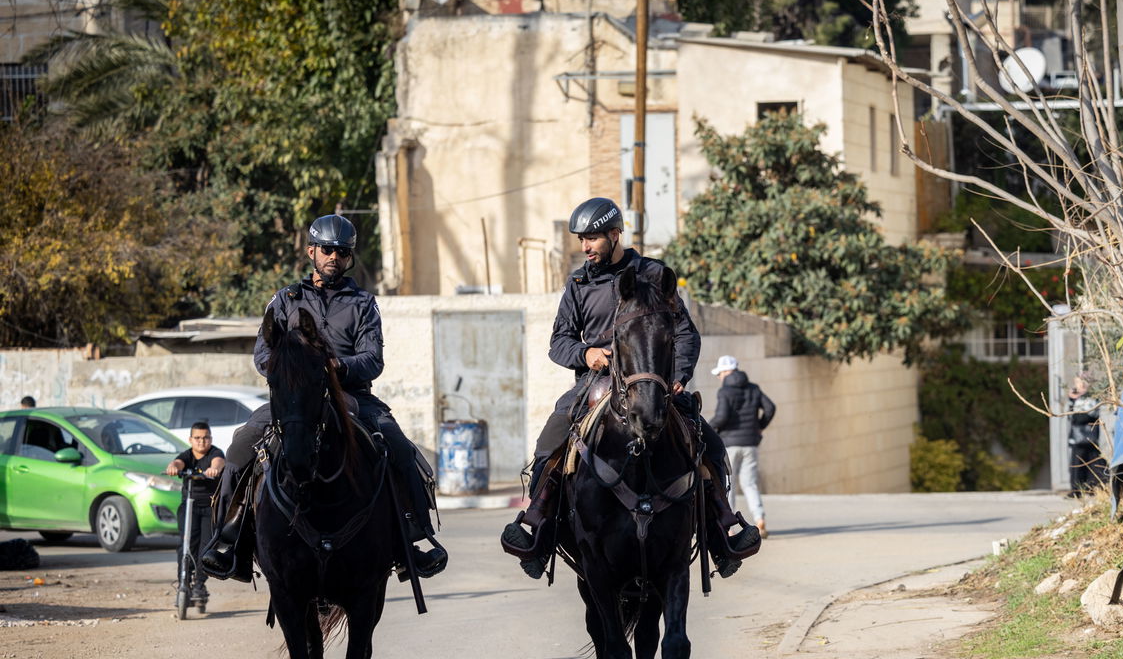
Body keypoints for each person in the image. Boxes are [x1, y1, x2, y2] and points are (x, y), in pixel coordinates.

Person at [500, 196, 761, 580]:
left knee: (710, 444)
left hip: (654, 384)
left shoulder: (653, 275)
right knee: (549, 442)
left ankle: (722, 533)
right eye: (581, 239)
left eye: (592, 238)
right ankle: (538, 527)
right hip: (595, 384)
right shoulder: (578, 284)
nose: (585, 247)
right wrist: (586, 353)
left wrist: (678, 377)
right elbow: (559, 342)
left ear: (614, 234)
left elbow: (685, 333)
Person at [201, 214, 448, 582]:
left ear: (349, 258)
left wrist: (337, 367)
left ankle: (412, 538)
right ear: (311, 252)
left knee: (399, 447)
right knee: (240, 445)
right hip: (296, 399)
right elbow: (263, 354)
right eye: (328, 250)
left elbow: (373, 359)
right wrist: (297, 369)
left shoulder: (363, 303)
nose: (335, 257)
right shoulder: (285, 300)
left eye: (342, 252)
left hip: (352, 397)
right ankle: (228, 538)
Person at [708, 355, 775, 539]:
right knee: (750, 483)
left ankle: (729, 528)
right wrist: (759, 427)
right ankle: (760, 519)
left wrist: (709, 428)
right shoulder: (753, 388)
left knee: (728, 484)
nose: (719, 377)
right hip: (750, 443)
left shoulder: (725, 391)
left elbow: (721, 417)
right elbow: (770, 408)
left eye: (719, 374)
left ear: (725, 372)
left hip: (729, 444)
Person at [165, 422, 225, 610]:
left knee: (206, 548)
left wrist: (214, 470)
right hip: (189, 507)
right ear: (191, 439)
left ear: (210, 439)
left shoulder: (215, 453)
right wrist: (173, 467)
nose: (201, 441)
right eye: (197, 438)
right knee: (186, 546)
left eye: (205, 437)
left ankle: (199, 584)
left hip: (209, 508)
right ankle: (184, 580)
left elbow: (219, 462)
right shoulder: (187, 455)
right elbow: (178, 463)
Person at [1066, 373, 1104, 496]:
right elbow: (1071, 416)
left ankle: (1092, 488)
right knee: (1076, 465)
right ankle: (1077, 490)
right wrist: (1072, 400)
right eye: (1078, 382)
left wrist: (1076, 410)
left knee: (1093, 464)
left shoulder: (1092, 398)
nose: (1080, 385)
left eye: (1083, 382)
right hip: (1078, 438)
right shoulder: (1077, 399)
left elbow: (1085, 416)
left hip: (1089, 437)